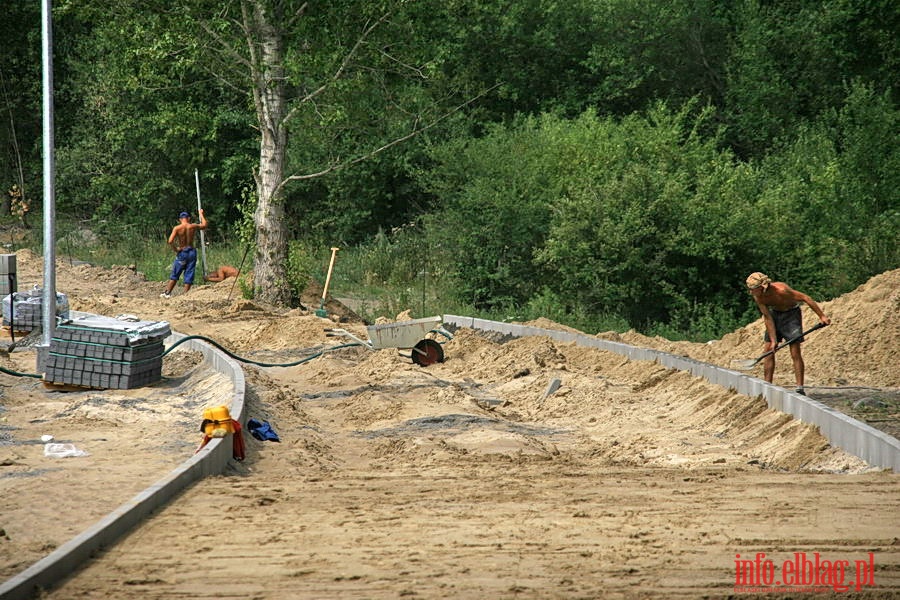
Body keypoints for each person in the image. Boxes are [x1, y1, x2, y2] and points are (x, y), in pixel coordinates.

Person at [745, 272, 831, 395]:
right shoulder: (758, 297)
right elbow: (767, 317)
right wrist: (774, 340)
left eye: (752, 289)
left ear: (761, 287)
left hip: (791, 315)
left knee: (795, 351)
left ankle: (800, 387)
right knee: (768, 350)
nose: (751, 292)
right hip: (775, 315)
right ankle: (767, 386)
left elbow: (806, 298)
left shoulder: (782, 290)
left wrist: (822, 316)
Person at [161, 209, 207, 298]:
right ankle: (185, 295)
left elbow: (170, 241)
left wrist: (176, 249)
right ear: (188, 218)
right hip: (192, 252)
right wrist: (201, 214)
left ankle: (167, 293)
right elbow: (204, 225)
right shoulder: (193, 226)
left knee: (176, 272)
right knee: (189, 272)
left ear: (180, 219)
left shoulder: (177, 228)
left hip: (183, 252)